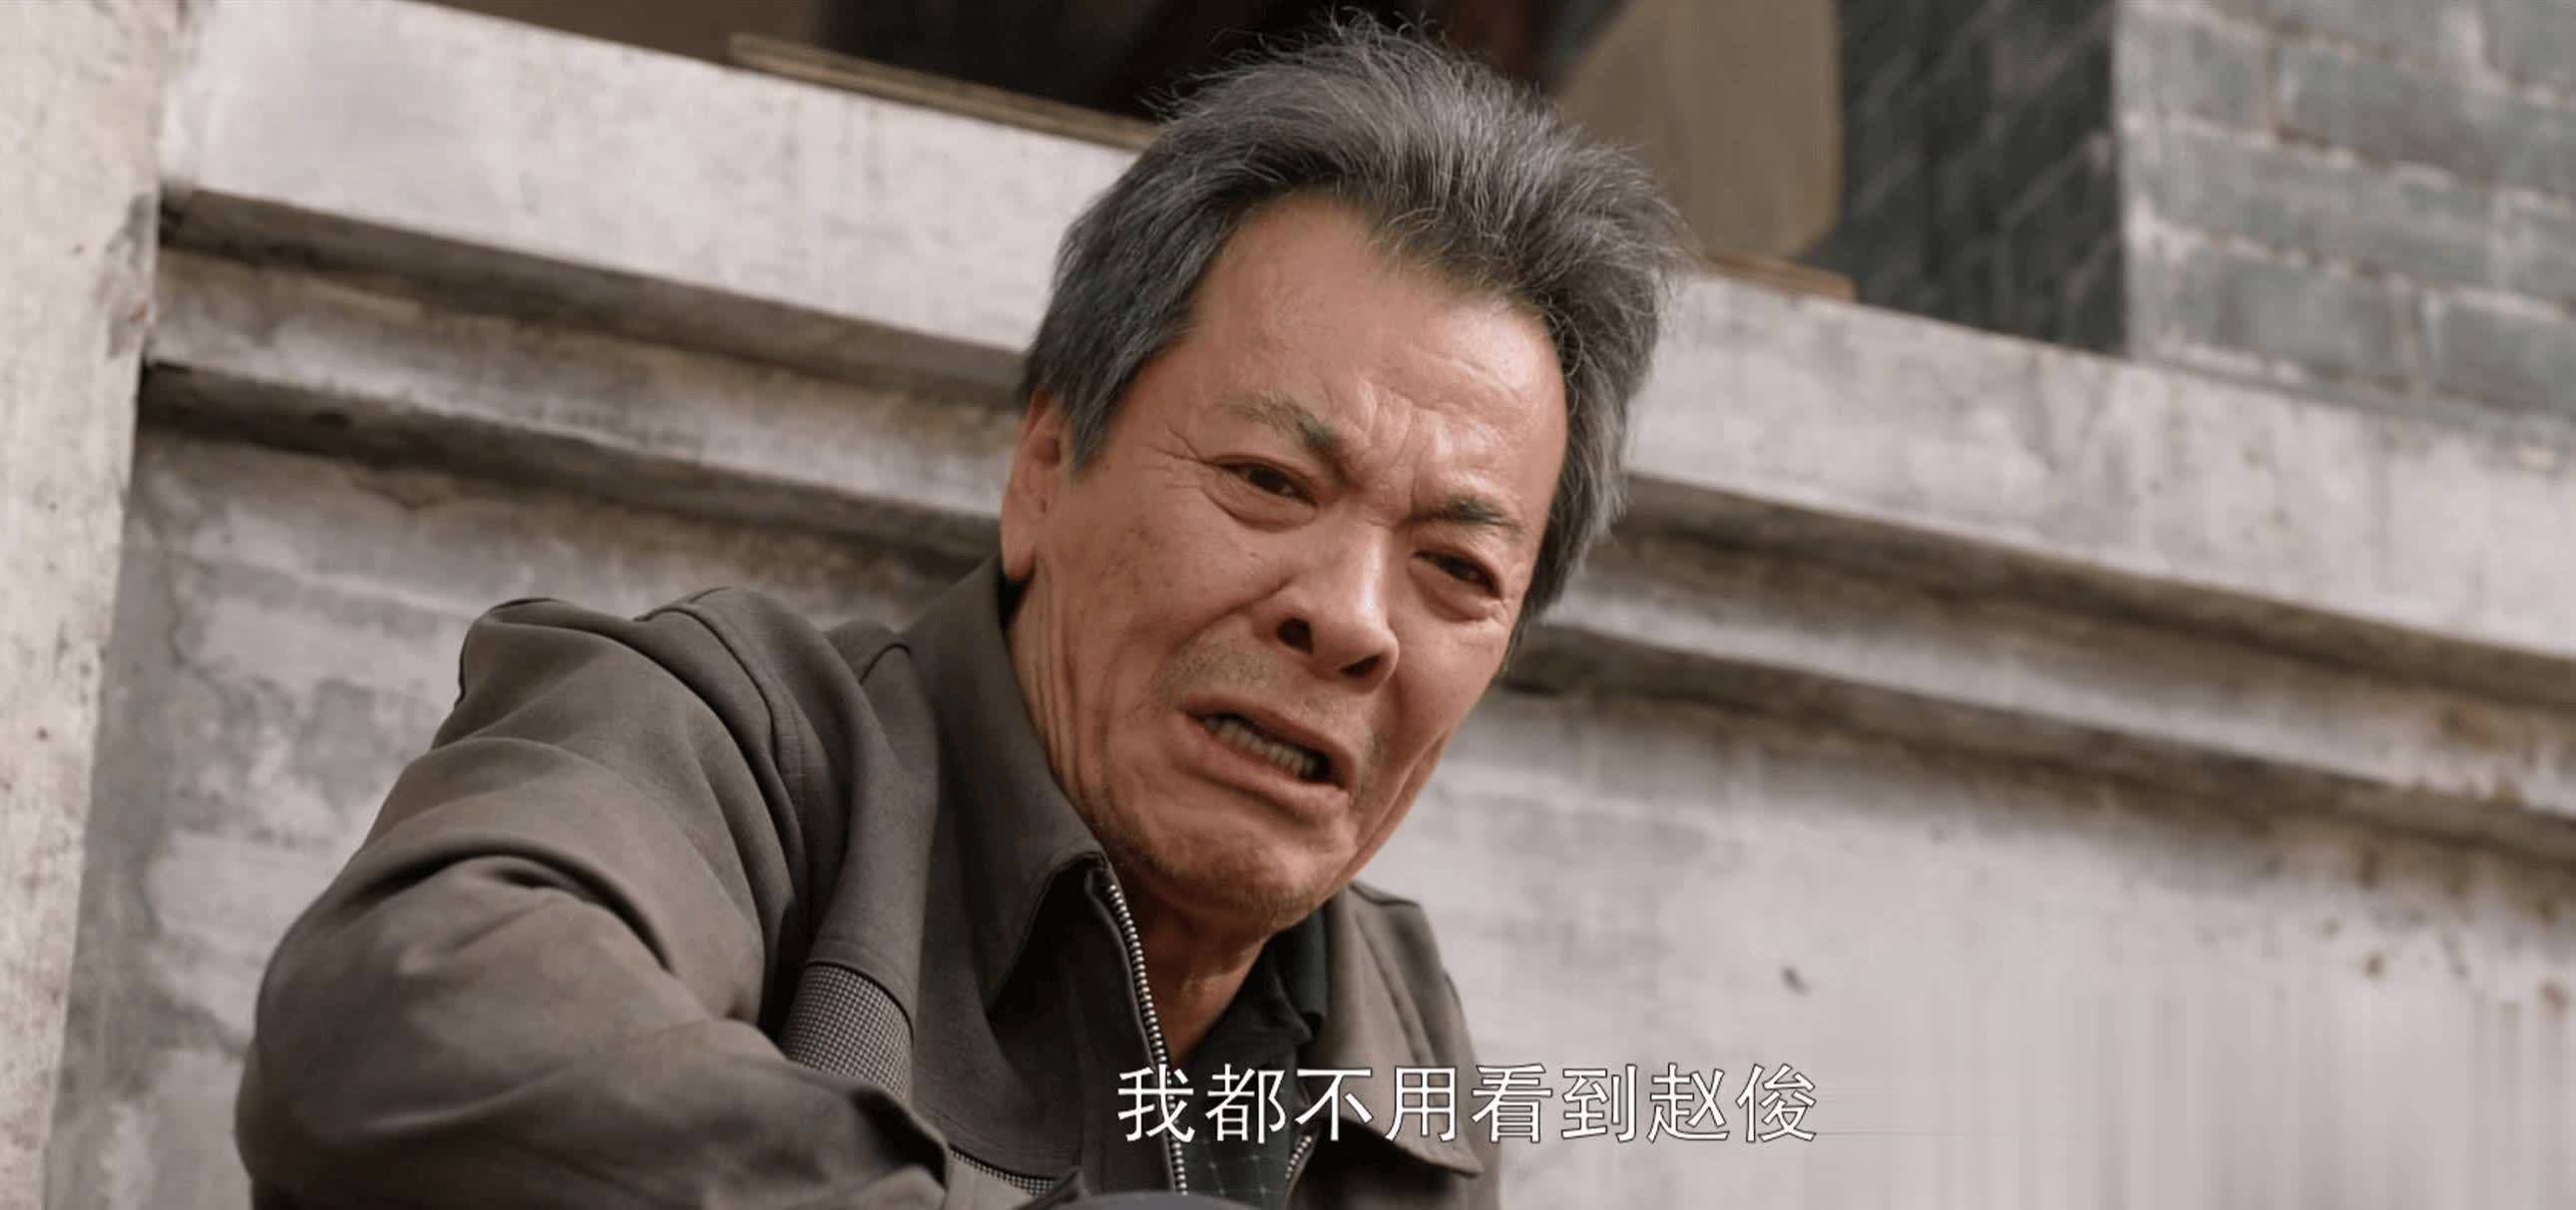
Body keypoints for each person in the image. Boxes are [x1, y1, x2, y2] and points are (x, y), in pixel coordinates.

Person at [234, 21, 1680, 1210]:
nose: (1351, 619)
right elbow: (408, 1011)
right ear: (1046, 468)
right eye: (1266, 481)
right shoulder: (736, 746)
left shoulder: (1391, 1036)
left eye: (1456, 569)